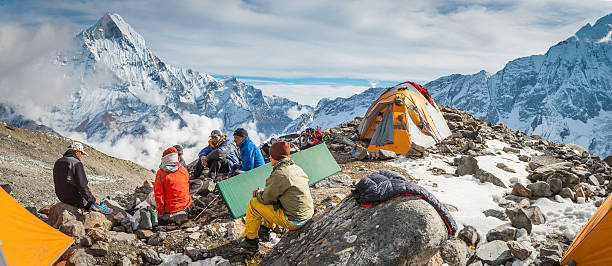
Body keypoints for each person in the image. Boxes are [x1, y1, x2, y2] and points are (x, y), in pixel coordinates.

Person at [239, 141, 314, 252]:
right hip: (308, 213)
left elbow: (265, 198)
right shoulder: (296, 168)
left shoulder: (280, 174)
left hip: (295, 221)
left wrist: (258, 193)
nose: (269, 158)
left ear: (276, 157)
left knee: (253, 204)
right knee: (274, 197)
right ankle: (266, 228)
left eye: (271, 156)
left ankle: (251, 241)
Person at [53, 142, 112, 214]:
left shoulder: (58, 161)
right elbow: (82, 186)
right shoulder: (76, 163)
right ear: (76, 151)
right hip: (74, 199)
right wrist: (93, 200)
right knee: (96, 204)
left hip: (61, 197)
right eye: (81, 153)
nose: (81, 156)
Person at [154, 147, 192, 218]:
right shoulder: (183, 170)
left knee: (151, 195)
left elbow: (158, 194)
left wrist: (161, 211)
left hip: (170, 209)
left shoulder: (160, 172)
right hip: (186, 204)